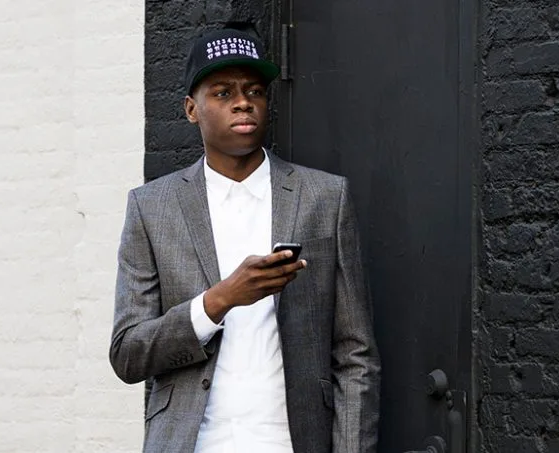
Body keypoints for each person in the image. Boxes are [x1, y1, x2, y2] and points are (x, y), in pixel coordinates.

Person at [109, 28, 380, 453]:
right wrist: (218, 301)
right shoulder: (151, 207)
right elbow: (128, 354)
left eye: (254, 90)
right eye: (222, 92)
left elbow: (355, 356)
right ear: (191, 110)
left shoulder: (324, 198)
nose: (242, 101)